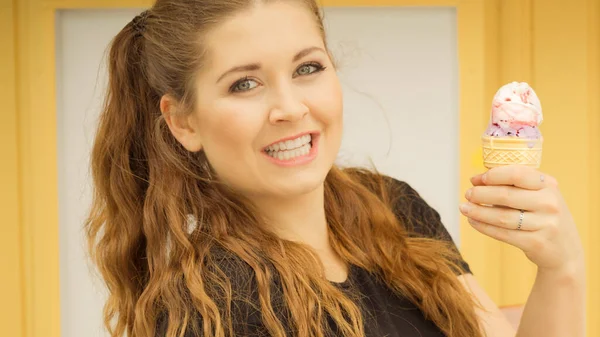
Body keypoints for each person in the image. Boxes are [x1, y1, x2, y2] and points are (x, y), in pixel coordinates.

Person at [85, 1, 585, 336]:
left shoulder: (390, 207)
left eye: (307, 69)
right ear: (184, 121)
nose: (290, 108)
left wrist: (561, 267)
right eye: (244, 84)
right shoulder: (212, 306)